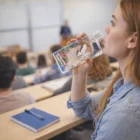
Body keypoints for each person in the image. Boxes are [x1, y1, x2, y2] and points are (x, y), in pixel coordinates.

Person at [67, 0, 140, 140]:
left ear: (132, 40)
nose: (107, 28)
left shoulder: (125, 114)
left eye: (113, 23)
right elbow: (84, 107)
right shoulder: (123, 86)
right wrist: (79, 73)